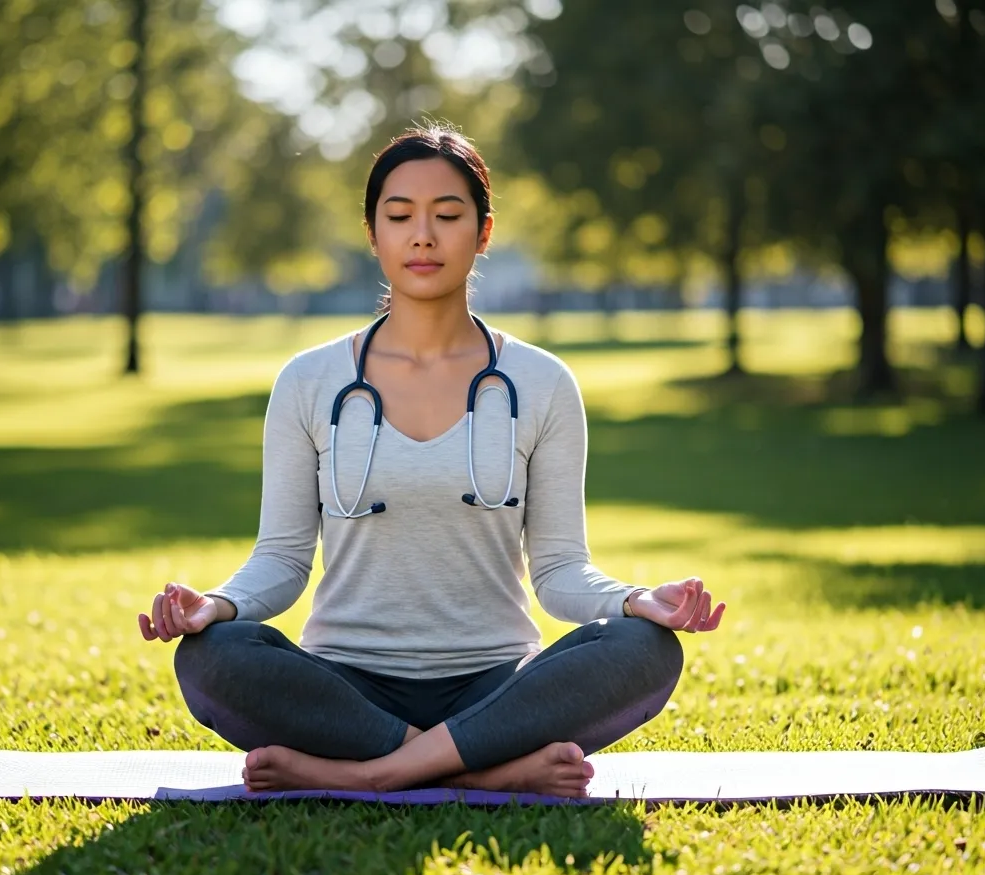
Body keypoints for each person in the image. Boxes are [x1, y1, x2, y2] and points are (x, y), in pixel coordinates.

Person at [138, 124, 726, 798]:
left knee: (643, 648)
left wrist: (636, 600)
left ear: (482, 233)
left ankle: (365, 774)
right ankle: (492, 771)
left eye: (447, 216)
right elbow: (282, 560)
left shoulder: (542, 384)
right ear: (373, 233)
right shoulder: (308, 381)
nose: (423, 236)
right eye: (399, 217)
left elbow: (561, 572)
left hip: (497, 686)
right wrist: (216, 605)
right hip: (347, 687)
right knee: (215, 657)